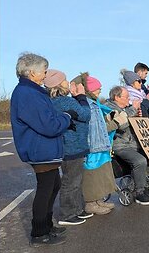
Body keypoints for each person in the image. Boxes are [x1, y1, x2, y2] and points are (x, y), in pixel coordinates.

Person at [10, 53, 72, 247]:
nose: (46, 75)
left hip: (45, 148)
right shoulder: (27, 94)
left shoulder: (33, 91)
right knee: (46, 189)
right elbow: (48, 125)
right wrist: (67, 118)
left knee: (53, 186)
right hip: (40, 149)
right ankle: (39, 232)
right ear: (31, 72)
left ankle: (47, 225)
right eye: (43, 71)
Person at [43, 69, 93, 226]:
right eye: (65, 80)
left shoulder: (51, 101)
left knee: (74, 180)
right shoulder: (66, 101)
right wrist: (81, 96)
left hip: (66, 146)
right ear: (58, 85)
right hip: (73, 146)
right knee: (71, 181)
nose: (68, 83)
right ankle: (67, 214)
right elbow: (85, 115)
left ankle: (78, 209)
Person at [71, 73, 118, 214]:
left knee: (99, 174)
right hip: (92, 145)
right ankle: (90, 203)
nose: (100, 91)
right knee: (91, 174)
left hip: (99, 144)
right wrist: (114, 123)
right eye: (98, 88)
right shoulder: (87, 104)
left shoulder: (95, 103)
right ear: (90, 90)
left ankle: (98, 199)